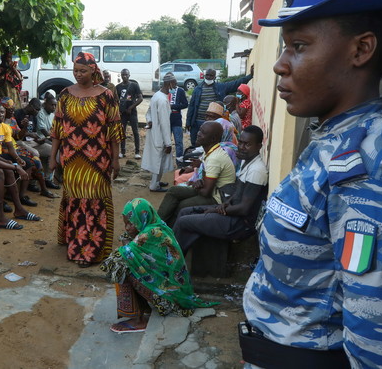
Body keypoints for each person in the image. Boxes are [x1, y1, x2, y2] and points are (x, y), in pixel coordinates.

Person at [241, 0, 382, 368]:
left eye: (299, 46)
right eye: (285, 46)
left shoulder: (367, 169)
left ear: (361, 49)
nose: (280, 64)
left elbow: (376, 342)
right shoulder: (333, 140)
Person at [99, 198, 217, 333]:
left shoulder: (151, 233)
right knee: (128, 261)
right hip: (175, 292)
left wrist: (126, 243)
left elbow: (119, 257)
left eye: (131, 223)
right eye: (125, 223)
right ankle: (143, 309)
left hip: (171, 300)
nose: (127, 228)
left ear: (142, 218)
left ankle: (138, 320)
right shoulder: (158, 225)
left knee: (121, 265)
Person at [49, 52, 122, 267]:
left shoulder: (106, 95)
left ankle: (93, 248)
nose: (78, 74)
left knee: (95, 199)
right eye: (75, 71)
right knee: (75, 199)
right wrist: (53, 157)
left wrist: (115, 160)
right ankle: (76, 244)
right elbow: (57, 129)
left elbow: (114, 129)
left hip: (98, 159)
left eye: (83, 71)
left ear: (93, 70)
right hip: (71, 159)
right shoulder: (65, 94)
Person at [172, 125, 267, 252]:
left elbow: (244, 209)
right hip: (231, 212)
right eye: (240, 142)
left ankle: (172, 257)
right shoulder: (247, 161)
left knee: (184, 222)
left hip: (239, 224)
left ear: (259, 146)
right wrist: (226, 204)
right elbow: (238, 193)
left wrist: (216, 210)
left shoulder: (257, 170)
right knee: (185, 212)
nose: (241, 147)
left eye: (247, 144)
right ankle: (176, 254)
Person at [157, 121, 235, 226]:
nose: (198, 134)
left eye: (203, 133)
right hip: (212, 191)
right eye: (200, 130)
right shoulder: (210, 152)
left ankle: (165, 229)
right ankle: (157, 223)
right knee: (173, 191)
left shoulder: (215, 158)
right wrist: (198, 182)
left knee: (182, 205)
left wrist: (197, 185)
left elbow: (206, 192)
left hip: (217, 198)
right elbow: (206, 181)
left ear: (213, 139)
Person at [0, 102, 45, 207]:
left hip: (1, 155)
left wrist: (18, 159)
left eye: (2, 112)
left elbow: (10, 147)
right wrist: (5, 161)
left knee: (27, 163)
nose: (1, 114)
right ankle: (1, 201)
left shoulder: (6, 127)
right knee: (8, 169)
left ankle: (22, 196)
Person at [185, 68, 252, 147]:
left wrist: (250, 76)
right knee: (196, 142)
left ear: (215, 77)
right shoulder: (198, 89)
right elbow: (192, 106)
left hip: (214, 122)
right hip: (198, 121)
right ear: (204, 76)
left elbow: (235, 84)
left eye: (211, 75)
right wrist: (188, 122)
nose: (208, 77)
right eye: (207, 75)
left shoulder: (220, 87)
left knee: (210, 143)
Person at [141, 72, 175, 192]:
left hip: (154, 133)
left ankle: (156, 181)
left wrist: (150, 121)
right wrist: (168, 143)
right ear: (169, 83)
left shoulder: (157, 95)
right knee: (158, 160)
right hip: (160, 135)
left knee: (158, 159)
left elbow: (149, 112)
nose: (175, 85)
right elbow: (165, 123)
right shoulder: (162, 100)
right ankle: (154, 185)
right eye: (174, 83)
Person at [116, 68, 142, 159]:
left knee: (135, 131)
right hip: (123, 113)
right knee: (122, 132)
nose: (124, 76)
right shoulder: (118, 87)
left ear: (129, 75)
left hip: (132, 112)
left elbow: (140, 98)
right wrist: (118, 109)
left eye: (126, 75)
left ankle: (137, 152)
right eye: (123, 75)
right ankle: (122, 151)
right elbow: (116, 100)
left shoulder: (134, 85)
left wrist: (131, 107)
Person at [167, 77, 189, 163]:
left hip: (176, 119)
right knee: (166, 142)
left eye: (176, 83)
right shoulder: (164, 91)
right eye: (173, 83)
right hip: (166, 119)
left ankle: (179, 161)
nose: (175, 85)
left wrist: (173, 106)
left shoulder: (180, 91)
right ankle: (166, 161)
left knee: (178, 142)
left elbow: (185, 104)